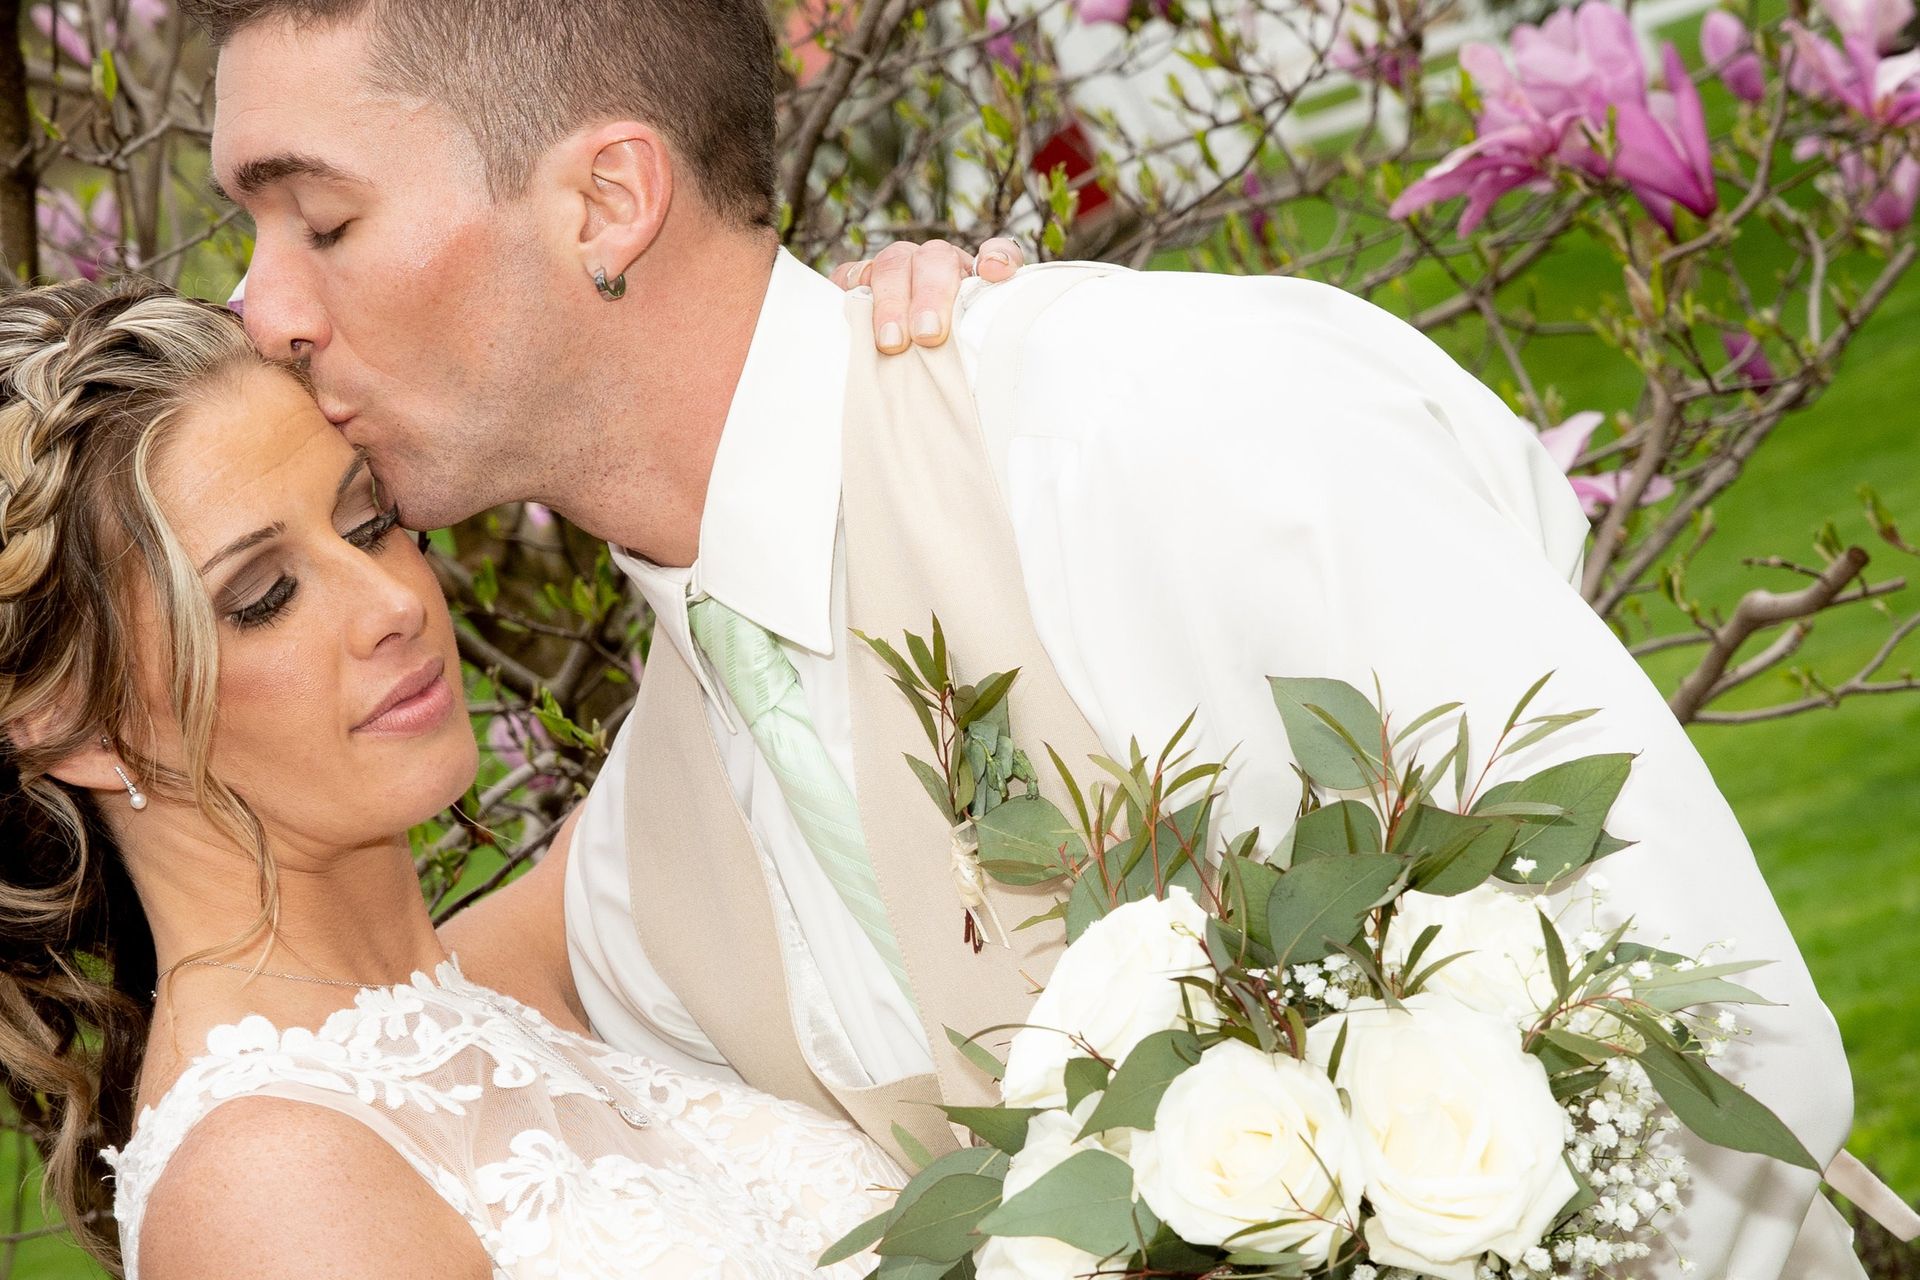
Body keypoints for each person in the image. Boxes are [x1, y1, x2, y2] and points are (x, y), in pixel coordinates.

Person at [183, 0, 1883, 1275]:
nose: (261, 304)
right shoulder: (644, 877)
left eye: (317, 218)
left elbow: (1727, 1047)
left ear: (604, 201)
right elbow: (327, 1034)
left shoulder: (1156, 427)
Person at [0, 273, 1012, 1280]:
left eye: (369, 521)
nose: (391, 599)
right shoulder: (271, 1186)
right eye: (263, 595)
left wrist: (888, 343)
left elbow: (729, 599)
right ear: (77, 724)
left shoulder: (507, 970)